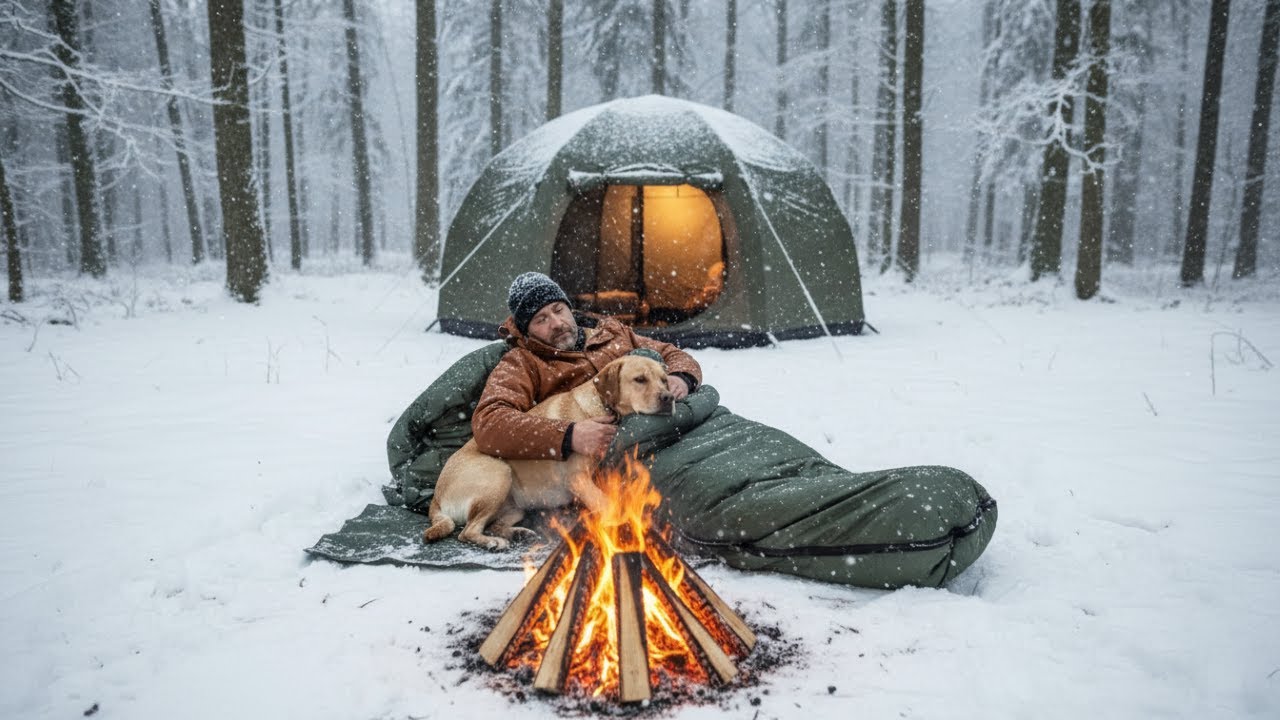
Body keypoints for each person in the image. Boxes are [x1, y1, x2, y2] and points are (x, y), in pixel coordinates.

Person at [471, 272, 702, 462]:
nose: (557, 323)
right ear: (527, 330)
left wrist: (679, 377)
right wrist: (569, 435)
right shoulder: (523, 362)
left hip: (664, 422)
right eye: (541, 320)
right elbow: (489, 423)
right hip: (613, 454)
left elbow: (670, 353)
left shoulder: (611, 333)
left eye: (558, 310)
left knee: (708, 403)